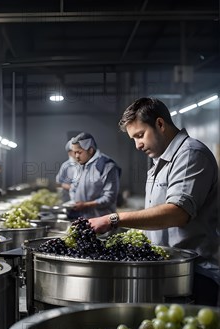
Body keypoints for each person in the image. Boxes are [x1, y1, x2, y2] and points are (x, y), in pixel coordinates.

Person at [89, 97, 219, 306]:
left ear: (160, 124)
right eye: (133, 139)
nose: (138, 145)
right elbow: (156, 215)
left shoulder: (190, 155)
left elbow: (177, 212)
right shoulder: (159, 162)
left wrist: (115, 219)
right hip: (168, 271)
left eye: (140, 135)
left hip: (195, 275)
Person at [67, 132, 121, 218]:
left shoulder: (107, 166)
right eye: (74, 152)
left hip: (102, 222)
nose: (76, 156)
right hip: (83, 219)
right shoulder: (81, 164)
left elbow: (109, 198)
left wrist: (86, 205)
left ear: (90, 150)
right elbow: (74, 186)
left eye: (79, 152)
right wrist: (74, 200)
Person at [55, 138, 80, 203]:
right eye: (74, 151)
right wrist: (71, 187)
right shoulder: (66, 166)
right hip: (68, 199)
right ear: (70, 153)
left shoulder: (85, 164)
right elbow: (59, 183)